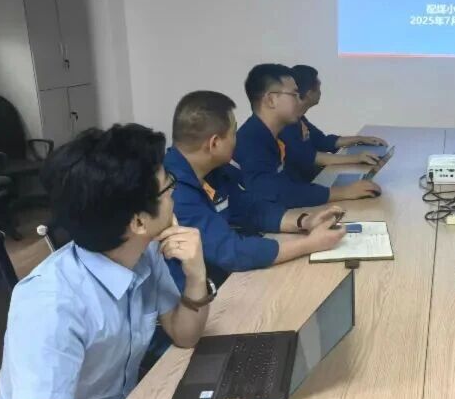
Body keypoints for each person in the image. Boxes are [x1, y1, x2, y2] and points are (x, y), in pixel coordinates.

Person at [0, 124, 263, 399]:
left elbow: (185, 334)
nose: (175, 193)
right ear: (138, 221)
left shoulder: (142, 253)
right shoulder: (50, 304)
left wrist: (196, 275)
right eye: (168, 186)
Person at [165, 90, 347, 287]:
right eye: (233, 133)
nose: (237, 139)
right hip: (198, 295)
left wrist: (304, 221)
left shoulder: (212, 171)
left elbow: (250, 209)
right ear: (215, 143)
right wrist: (310, 244)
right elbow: (230, 252)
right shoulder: (173, 192)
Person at [234, 64, 380, 208]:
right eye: (294, 95)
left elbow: (285, 187)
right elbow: (277, 193)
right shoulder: (251, 141)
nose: (300, 100)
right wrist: (344, 192)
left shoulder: (270, 135)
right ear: (271, 100)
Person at [280, 65, 387, 182]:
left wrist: (360, 139)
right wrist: (357, 158)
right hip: (297, 184)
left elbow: (322, 141)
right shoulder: (285, 123)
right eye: (319, 87)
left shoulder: (299, 118)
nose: (320, 92)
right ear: (309, 93)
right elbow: (309, 157)